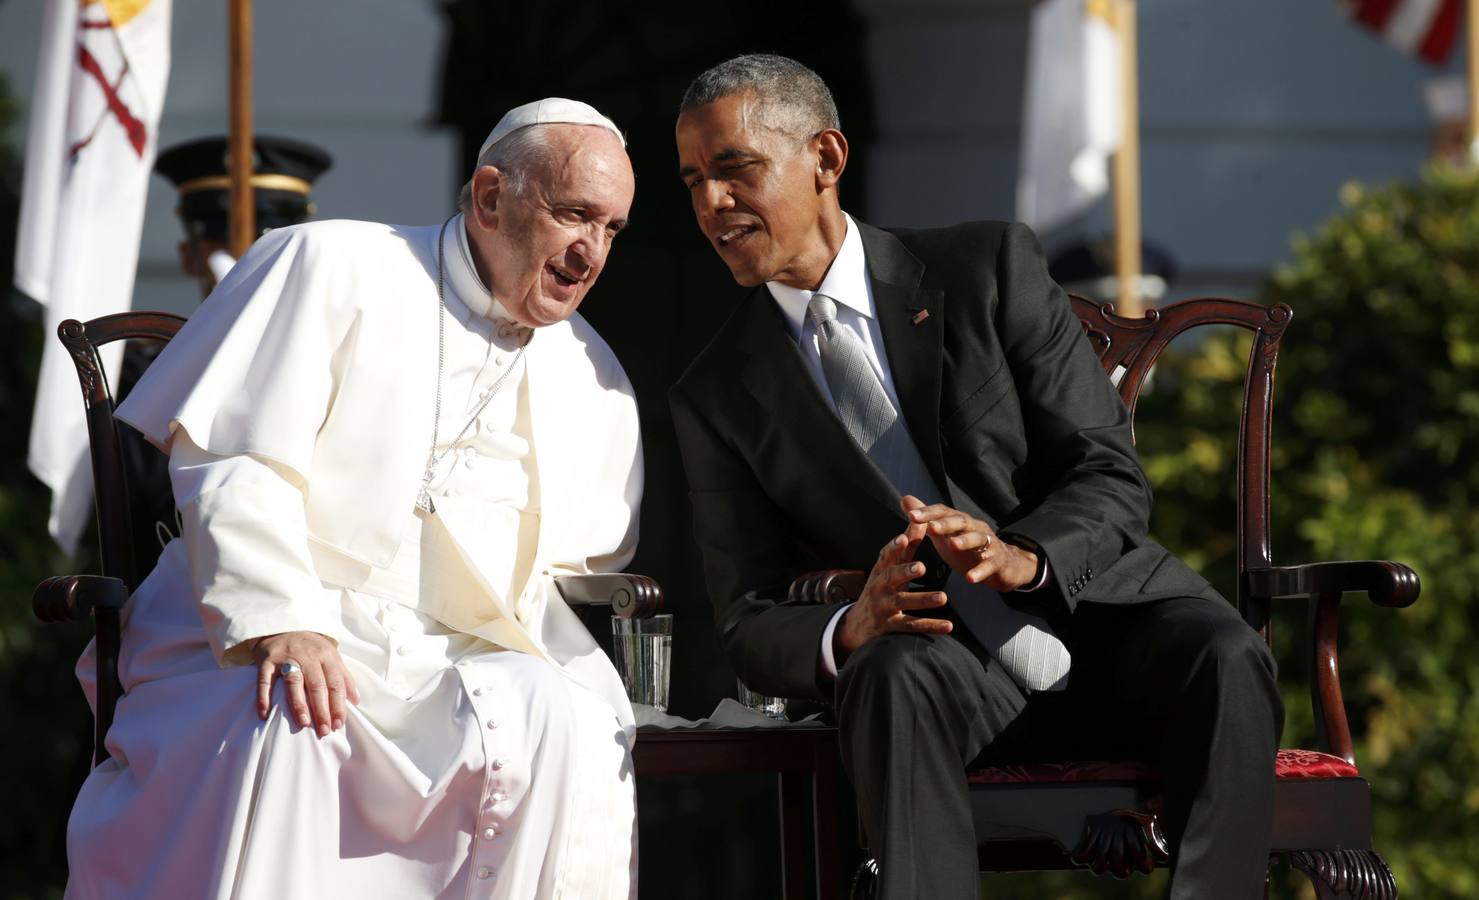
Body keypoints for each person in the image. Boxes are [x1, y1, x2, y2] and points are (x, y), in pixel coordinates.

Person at [669, 55, 1283, 899]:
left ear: (825, 158)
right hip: (942, 672)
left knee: (1226, 655)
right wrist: (851, 626)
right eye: (693, 180)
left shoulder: (986, 269)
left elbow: (1109, 475)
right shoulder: (712, 394)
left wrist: (1021, 555)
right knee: (883, 673)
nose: (710, 203)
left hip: (1100, 619)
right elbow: (745, 619)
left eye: (734, 168)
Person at [65, 98, 642, 899]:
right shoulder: (331, 264)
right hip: (281, 606)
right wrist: (280, 618)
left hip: (456, 653)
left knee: (561, 717)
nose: (591, 252)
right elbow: (233, 459)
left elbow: (578, 566)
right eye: (574, 214)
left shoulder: (592, 372)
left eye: (612, 228)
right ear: (487, 197)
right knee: (294, 714)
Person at [114, 135, 333, 581]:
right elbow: (155, 501)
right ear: (188, 256)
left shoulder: (335, 361)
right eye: (222, 240)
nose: (244, 256)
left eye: (268, 245)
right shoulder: (144, 369)